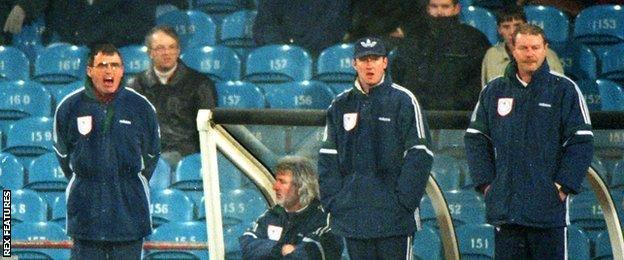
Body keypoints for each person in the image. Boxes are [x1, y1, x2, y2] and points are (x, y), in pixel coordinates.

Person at [465, 24, 593, 259]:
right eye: (523, 47)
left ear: (545, 49)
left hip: (547, 214)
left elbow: (581, 142)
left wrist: (562, 187)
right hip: (506, 211)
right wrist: (487, 184)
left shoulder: (564, 90)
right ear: (513, 50)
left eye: (535, 47)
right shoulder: (493, 90)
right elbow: (476, 139)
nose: (529, 53)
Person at [318, 36, 433, 259]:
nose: (369, 65)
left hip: (394, 221)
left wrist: (404, 203)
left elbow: (420, 154)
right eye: (363, 59)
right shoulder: (340, 104)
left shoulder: (404, 100)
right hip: (353, 218)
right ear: (354, 63)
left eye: (375, 58)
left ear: (385, 62)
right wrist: (335, 202)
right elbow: (327, 158)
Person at [54, 44, 160, 259]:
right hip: (86, 215)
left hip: (129, 215)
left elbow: (152, 155)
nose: (108, 71)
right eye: (102, 65)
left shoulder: (141, 106)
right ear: (89, 70)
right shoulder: (69, 106)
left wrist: (126, 181)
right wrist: (88, 177)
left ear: (122, 70)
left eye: (115, 65)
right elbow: (63, 155)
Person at [129, 25, 216, 166]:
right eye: (160, 48)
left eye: (172, 47)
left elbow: (208, 130)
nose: (167, 53)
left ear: (178, 50)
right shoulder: (136, 86)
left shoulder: (200, 84)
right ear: (150, 53)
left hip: (186, 155)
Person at [391, 0, 491, 110]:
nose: (439, 12)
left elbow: (479, 82)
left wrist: (454, 103)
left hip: (462, 114)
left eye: (445, 7)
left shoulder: (475, 39)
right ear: (428, 8)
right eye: (434, 6)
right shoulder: (414, 39)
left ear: (456, 8)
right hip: (420, 111)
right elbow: (401, 76)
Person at [239, 156, 342, 259]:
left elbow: (311, 253)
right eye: (276, 180)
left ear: (301, 187)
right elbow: (247, 244)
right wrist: (281, 249)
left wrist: (267, 250)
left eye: (282, 182)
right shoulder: (273, 214)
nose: (275, 187)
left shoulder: (322, 219)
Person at [3, 0, 155, 47]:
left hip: (115, 52)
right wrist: (23, 6)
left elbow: (141, 24)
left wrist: (95, 37)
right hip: (67, 51)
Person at [481, 6, 564, 86]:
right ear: (499, 30)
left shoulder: (548, 55)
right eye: (506, 27)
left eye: (517, 26)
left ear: (526, 26)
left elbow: (561, 89)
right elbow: (486, 92)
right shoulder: (492, 55)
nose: (512, 32)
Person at [252, 0, 350, 56]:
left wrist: (302, 52)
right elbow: (264, 26)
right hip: (281, 56)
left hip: (321, 53)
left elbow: (334, 24)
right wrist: (287, 51)